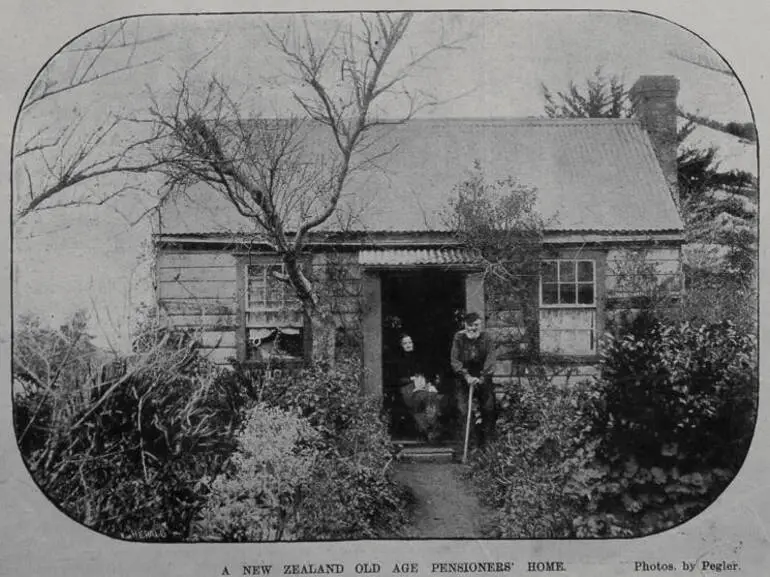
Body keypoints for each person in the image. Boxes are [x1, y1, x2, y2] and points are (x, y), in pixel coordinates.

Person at [450, 312, 498, 448]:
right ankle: (464, 449)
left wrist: (482, 378)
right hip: (463, 379)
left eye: (476, 325)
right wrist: (466, 376)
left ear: (480, 325)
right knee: (462, 411)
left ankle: (488, 448)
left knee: (489, 409)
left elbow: (491, 360)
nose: (473, 329)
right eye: (470, 325)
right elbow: (455, 360)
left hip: (483, 378)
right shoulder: (458, 338)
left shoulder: (487, 338)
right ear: (465, 325)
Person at [394, 334, 440, 441]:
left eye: (410, 342)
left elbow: (425, 374)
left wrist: (428, 383)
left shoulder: (419, 359)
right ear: (401, 345)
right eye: (405, 343)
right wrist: (412, 379)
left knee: (433, 396)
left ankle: (430, 427)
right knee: (422, 399)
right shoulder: (398, 361)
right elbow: (396, 379)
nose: (408, 345)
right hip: (407, 389)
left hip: (421, 386)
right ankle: (427, 429)